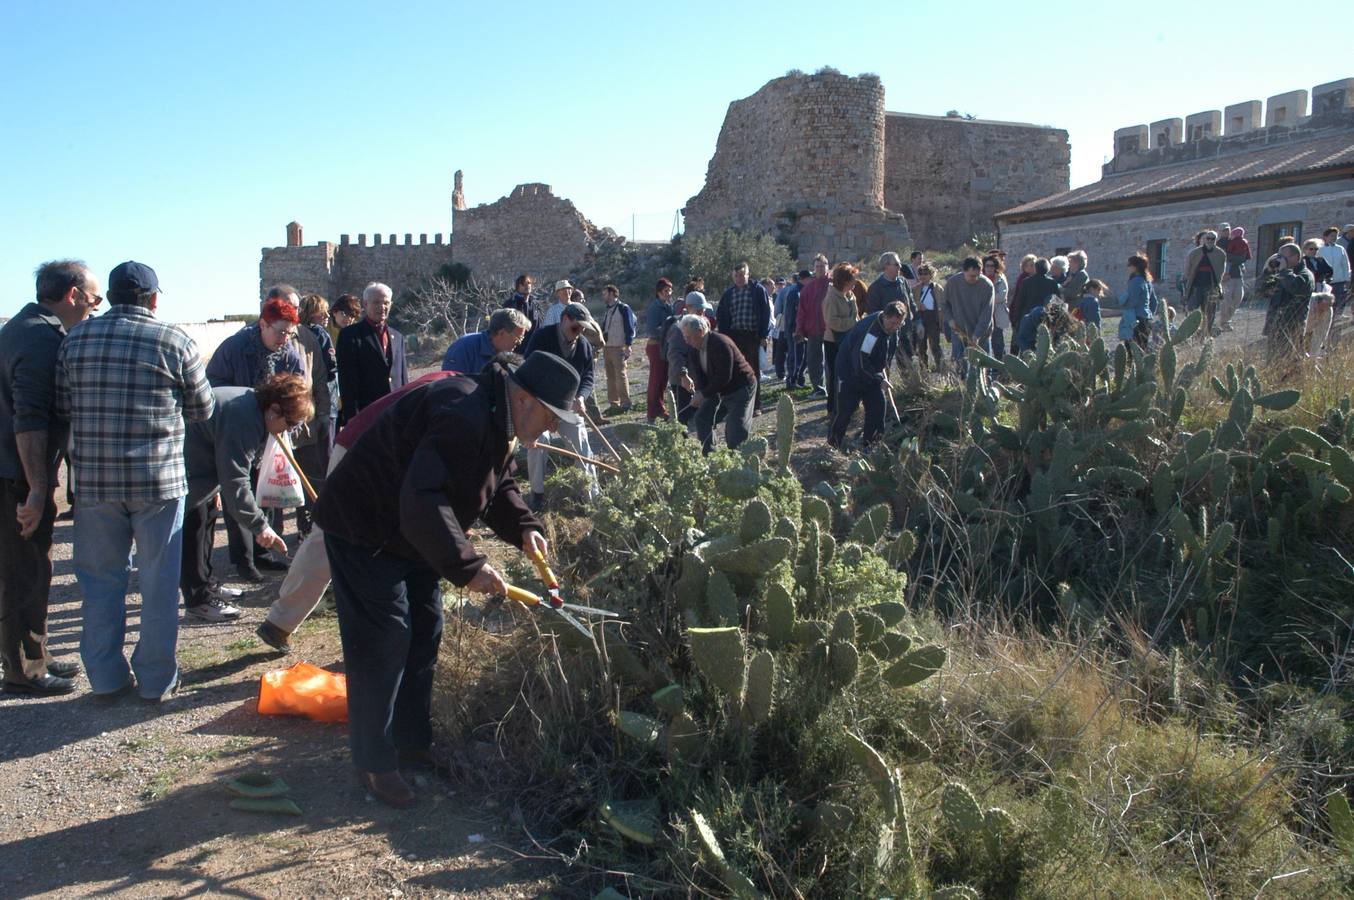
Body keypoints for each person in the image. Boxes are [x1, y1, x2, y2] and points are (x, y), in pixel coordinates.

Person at [313, 351, 579, 807]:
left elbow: (498, 487)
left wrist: (526, 530)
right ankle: (374, 763)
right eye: (553, 417)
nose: (554, 428)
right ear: (526, 399)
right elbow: (422, 498)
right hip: (365, 528)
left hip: (409, 534)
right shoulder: (465, 412)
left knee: (425, 629)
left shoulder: (498, 416)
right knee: (384, 640)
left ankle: (411, 743)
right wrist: (468, 566)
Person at [56, 261, 215, 702]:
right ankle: (155, 680)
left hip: (94, 481)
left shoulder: (76, 340)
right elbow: (203, 410)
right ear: (154, 299)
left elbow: (62, 404)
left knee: (100, 582)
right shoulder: (175, 340)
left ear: (108, 297)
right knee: (158, 583)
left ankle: (106, 678)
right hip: (158, 482)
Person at [257, 371, 460, 654]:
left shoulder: (460, 386)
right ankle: (280, 622)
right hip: (361, 447)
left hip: (384, 453)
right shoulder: (458, 392)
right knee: (328, 534)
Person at [0, 260, 100, 695]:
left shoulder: (22, 327)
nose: (95, 310)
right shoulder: (40, 338)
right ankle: (24, 670)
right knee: (25, 572)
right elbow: (30, 419)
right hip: (16, 476)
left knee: (27, 569)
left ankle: (33, 655)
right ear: (73, 296)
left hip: (13, 471)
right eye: (94, 300)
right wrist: (39, 488)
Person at [181, 375, 312, 622]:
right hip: (189, 466)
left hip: (204, 466)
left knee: (208, 516)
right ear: (274, 410)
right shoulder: (244, 418)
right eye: (291, 422)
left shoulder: (254, 408)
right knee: (194, 527)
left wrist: (214, 490)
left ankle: (208, 584)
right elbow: (235, 480)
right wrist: (260, 527)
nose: (289, 430)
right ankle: (198, 600)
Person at [206, 297, 304, 580]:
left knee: (267, 492)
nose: (284, 339)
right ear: (263, 324)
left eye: (289, 333)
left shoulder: (289, 354)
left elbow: (299, 391)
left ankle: (263, 554)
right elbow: (212, 386)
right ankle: (244, 559)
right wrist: (247, 404)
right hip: (235, 431)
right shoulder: (234, 348)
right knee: (238, 488)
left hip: (271, 435)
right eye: (280, 331)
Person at [523, 302, 599, 510]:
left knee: (581, 443)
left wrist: (582, 397)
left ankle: (593, 498)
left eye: (583, 328)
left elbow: (588, 378)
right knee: (538, 443)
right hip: (539, 404)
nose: (579, 332)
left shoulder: (583, 346)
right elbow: (528, 373)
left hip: (567, 406)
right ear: (564, 319)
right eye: (576, 327)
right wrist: (545, 414)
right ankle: (537, 496)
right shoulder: (541, 338)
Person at [828, 302, 906, 450]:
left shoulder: (894, 329)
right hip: (849, 373)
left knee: (878, 408)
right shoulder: (871, 332)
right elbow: (861, 361)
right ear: (885, 317)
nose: (895, 327)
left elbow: (886, 354)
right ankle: (833, 445)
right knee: (845, 410)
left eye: (899, 324)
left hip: (872, 372)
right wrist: (879, 379)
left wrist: (880, 373)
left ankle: (871, 446)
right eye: (893, 323)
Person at [295, 292, 338, 538]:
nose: (326, 315)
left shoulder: (297, 333)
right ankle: (317, 522)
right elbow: (329, 369)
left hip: (302, 410)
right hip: (319, 408)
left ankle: (305, 522)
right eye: (323, 310)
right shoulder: (319, 334)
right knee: (320, 466)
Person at [679, 315, 756, 453]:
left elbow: (724, 377)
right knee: (702, 418)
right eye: (685, 337)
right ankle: (710, 456)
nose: (686, 340)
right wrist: (699, 392)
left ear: (700, 331)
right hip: (718, 389)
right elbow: (701, 377)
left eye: (689, 336)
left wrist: (703, 394)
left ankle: (738, 461)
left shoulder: (720, 343)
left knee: (735, 427)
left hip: (740, 387)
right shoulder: (694, 348)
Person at [336, 282, 408, 426]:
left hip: (394, 413)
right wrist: (352, 416)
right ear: (366, 304)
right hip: (367, 413)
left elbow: (402, 378)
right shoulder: (350, 335)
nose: (382, 307)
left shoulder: (397, 337)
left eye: (386, 303)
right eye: (376, 302)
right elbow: (347, 379)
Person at [716, 263, 772, 413]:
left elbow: (765, 314)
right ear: (732, 277)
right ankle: (736, 406)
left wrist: (763, 335)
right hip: (734, 337)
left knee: (753, 372)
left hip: (751, 336)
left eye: (742, 275)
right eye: (736, 276)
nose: (739, 278)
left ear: (748, 274)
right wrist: (723, 338)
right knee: (735, 372)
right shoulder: (728, 294)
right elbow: (721, 316)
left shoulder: (758, 290)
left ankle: (756, 406)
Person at [1259, 243, 1315, 363]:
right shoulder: (1280, 273)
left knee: (1289, 365)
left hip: (1292, 328)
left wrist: (1284, 271)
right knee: (1273, 364)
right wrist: (1268, 272)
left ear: (1295, 257)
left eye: (1284, 257)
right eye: (1279, 256)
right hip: (1275, 327)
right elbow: (1262, 292)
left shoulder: (1305, 275)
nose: (1280, 260)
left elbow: (1295, 288)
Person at [944, 257, 996, 374]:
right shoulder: (952, 283)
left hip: (982, 333)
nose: (975, 278)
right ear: (964, 271)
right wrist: (950, 319)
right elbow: (944, 304)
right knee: (960, 364)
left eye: (978, 275)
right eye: (972, 276)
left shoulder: (987, 286)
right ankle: (961, 389)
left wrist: (977, 335)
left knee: (983, 366)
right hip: (959, 330)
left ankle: (985, 389)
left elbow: (986, 314)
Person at [821, 263, 860, 415]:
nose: (855, 282)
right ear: (844, 280)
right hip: (833, 342)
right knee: (836, 376)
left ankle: (848, 406)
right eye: (852, 279)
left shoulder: (850, 296)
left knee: (849, 374)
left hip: (848, 340)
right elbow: (832, 322)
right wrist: (853, 322)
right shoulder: (831, 297)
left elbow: (855, 315)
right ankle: (833, 409)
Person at [441, 309, 530, 374]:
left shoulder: (507, 356)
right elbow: (450, 386)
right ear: (501, 333)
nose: (519, 343)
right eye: (518, 338)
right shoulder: (463, 348)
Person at [795, 254, 830, 396]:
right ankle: (818, 388)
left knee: (831, 360)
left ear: (828, 267)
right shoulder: (808, 289)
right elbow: (801, 311)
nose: (820, 269)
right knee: (813, 360)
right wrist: (799, 329)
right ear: (813, 269)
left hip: (831, 329)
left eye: (822, 266)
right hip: (813, 329)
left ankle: (833, 387)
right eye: (817, 266)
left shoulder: (833, 284)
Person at [1009, 258, 1060, 353]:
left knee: (1026, 347)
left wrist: (1016, 319)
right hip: (1045, 319)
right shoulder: (1052, 283)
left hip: (1027, 318)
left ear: (1036, 268)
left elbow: (1019, 302)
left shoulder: (1026, 282)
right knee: (1041, 348)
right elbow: (1057, 303)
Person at [643, 278, 676, 423]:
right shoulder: (654, 308)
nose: (669, 293)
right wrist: (669, 329)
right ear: (659, 292)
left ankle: (660, 409)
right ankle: (651, 414)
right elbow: (652, 330)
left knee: (663, 380)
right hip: (656, 346)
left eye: (670, 290)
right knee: (655, 381)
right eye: (666, 291)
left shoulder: (667, 306)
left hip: (664, 346)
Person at [599, 284, 636, 413]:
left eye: (605, 293)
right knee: (610, 377)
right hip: (607, 347)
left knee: (620, 375)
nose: (603, 296)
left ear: (612, 293)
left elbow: (629, 328)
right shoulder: (607, 310)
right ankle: (614, 404)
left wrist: (628, 345)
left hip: (619, 347)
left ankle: (626, 403)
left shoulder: (623, 308)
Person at [1182, 231, 1226, 337]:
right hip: (1195, 286)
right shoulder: (1194, 253)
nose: (1210, 241)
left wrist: (1218, 286)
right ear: (1204, 239)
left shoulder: (1220, 254)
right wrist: (1187, 283)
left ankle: (1205, 334)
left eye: (1213, 239)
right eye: (1208, 238)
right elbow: (1188, 270)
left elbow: (1221, 271)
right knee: (1192, 311)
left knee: (1210, 313)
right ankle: (1190, 334)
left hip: (1211, 287)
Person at [1301, 239, 1337, 356]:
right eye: (1311, 249)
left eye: (1316, 249)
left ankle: (1317, 346)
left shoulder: (1320, 260)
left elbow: (1330, 270)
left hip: (1321, 287)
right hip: (1310, 290)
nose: (1314, 251)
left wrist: (1325, 278)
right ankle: (1306, 345)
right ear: (1305, 250)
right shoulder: (1303, 262)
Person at [1119, 253, 1158, 350]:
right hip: (1146, 318)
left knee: (1131, 350)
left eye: (1129, 265)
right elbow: (1154, 302)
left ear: (1135, 267)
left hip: (1134, 318)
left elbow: (1133, 301)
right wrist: (1149, 314)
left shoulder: (1135, 281)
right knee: (1142, 349)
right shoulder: (1148, 282)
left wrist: (1123, 305)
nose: (1128, 268)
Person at [1219, 227, 1252, 331]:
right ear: (1220, 231)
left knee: (1237, 299)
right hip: (1227, 277)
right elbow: (1224, 258)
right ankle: (1224, 323)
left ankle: (1227, 320)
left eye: (1227, 230)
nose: (1226, 232)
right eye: (1224, 230)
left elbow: (1242, 258)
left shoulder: (1235, 243)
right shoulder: (1220, 243)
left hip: (1238, 276)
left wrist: (1238, 260)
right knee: (1227, 301)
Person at [914, 264, 946, 371]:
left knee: (935, 345)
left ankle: (941, 368)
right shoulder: (915, 289)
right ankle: (924, 369)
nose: (923, 276)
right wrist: (918, 305)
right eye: (920, 274)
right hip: (920, 319)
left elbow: (943, 305)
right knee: (921, 347)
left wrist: (941, 322)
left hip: (933, 318)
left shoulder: (937, 288)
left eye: (925, 273)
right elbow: (912, 304)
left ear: (931, 274)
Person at [782, 270, 810, 387]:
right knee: (795, 356)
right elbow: (790, 313)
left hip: (803, 329)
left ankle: (799, 379)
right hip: (795, 329)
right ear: (804, 279)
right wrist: (794, 329)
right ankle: (791, 380)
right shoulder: (794, 292)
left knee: (803, 356)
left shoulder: (803, 291)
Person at [1318, 227, 1351, 312]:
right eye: (1332, 236)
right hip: (1325, 281)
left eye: (1336, 236)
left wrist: (1347, 279)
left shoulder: (1340, 249)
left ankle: (1335, 321)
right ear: (1325, 237)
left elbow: (1345, 265)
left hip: (1339, 281)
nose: (1334, 238)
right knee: (1325, 304)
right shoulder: (1319, 249)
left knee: (1337, 303)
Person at [983, 255, 1009, 360]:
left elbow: (1001, 296)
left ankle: (1001, 366)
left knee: (998, 342)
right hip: (983, 315)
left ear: (996, 267)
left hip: (996, 315)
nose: (989, 268)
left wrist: (986, 301)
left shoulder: (1001, 279)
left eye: (992, 266)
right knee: (984, 342)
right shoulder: (980, 278)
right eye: (987, 265)